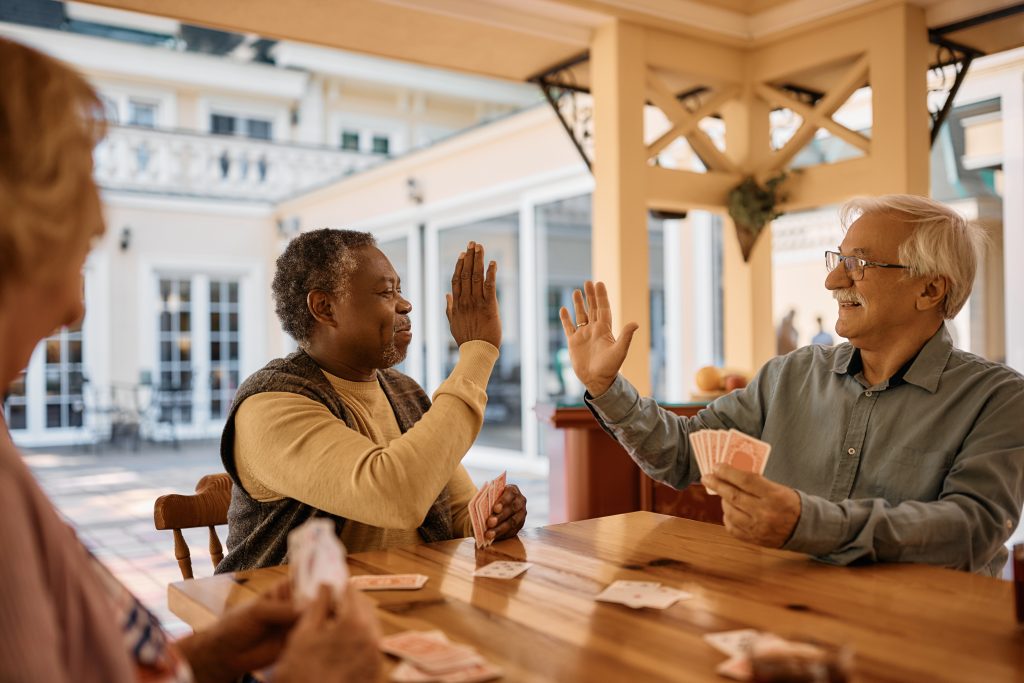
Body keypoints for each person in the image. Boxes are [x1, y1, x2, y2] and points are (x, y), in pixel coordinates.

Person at [0, 37, 381, 682]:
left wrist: (208, 654)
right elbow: (389, 491)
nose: (76, 309)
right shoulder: (275, 398)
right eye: (71, 250)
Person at [559, 195, 1024, 576]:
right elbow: (683, 456)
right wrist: (606, 385)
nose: (832, 280)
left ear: (930, 291)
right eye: (838, 260)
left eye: (858, 264)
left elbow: (971, 528)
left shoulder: (999, 398)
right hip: (779, 616)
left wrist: (809, 522)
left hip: (916, 637)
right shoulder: (791, 375)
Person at [217, 229, 528, 572]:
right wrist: (478, 353)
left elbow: (454, 512)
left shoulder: (404, 391)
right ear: (325, 308)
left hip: (403, 608)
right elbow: (397, 496)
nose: (405, 304)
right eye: (385, 292)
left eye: (400, 289)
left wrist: (492, 518)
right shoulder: (269, 406)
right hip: (294, 617)